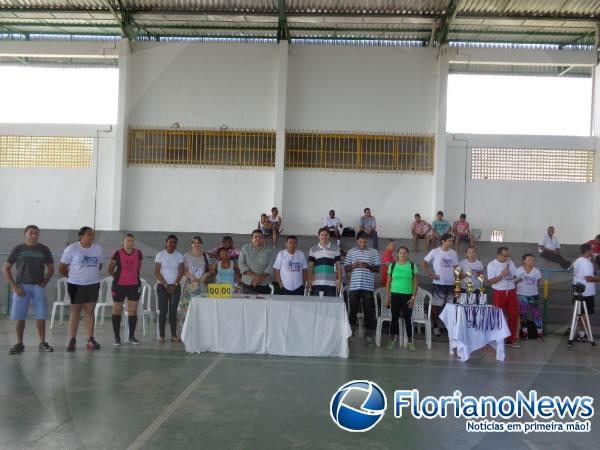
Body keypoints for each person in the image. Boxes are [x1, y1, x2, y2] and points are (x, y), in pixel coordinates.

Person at [3, 225, 55, 354]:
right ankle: (19, 344)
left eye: (36, 233)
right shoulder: (18, 249)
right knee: (20, 316)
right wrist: (15, 287)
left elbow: (51, 268)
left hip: (38, 287)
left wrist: (44, 283)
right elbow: (5, 268)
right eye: (31, 233)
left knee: (41, 315)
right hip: (21, 287)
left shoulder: (44, 249)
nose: (34, 235)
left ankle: (42, 343)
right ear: (25, 234)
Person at [59, 226, 103, 352]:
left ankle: (90, 339)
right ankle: (72, 339)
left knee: (89, 311)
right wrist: (73, 277)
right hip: (75, 285)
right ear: (81, 236)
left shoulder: (98, 249)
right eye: (89, 234)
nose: (92, 236)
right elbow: (62, 267)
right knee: (75, 311)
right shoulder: (72, 249)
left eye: (93, 234)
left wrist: (89, 274)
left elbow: (99, 265)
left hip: (92, 284)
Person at [344, 231, 381, 344]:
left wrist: (368, 266)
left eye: (364, 242)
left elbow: (378, 269)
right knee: (352, 311)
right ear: (357, 241)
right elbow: (346, 268)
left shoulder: (373, 252)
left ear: (367, 241)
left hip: (368, 286)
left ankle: (369, 335)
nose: (362, 244)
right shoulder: (351, 252)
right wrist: (352, 266)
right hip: (354, 286)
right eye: (360, 242)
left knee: (368, 312)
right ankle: (350, 334)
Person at [108, 233, 143, 346]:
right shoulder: (117, 253)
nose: (130, 242)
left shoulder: (138, 253)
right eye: (128, 240)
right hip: (119, 286)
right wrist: (118, 278)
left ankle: (131, 337)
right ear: (123, 242)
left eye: (132, 240)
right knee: (117, 310)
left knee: (132, 311)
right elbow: (110, 269)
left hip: (134, 285)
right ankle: (117, 337)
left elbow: (138, 267)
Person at [421, 233, 458, 336]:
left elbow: (456, 268)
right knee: (436, 307)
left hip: (451, 284)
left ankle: (448, 327)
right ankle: (435, 327)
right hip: (438, 283)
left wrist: (460, 276)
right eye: (449, 241)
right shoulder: (435, 251)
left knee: (449, 307)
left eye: (452, 241)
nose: (451, 243)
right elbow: (423, 263)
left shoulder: (453, 253)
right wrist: (430, 274)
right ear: (443, 241)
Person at [385, 246, 418, 351]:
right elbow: (388, 282)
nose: (402, 254)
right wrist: (388, 297)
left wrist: (413, 297)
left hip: (408, 296)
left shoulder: (412, 266)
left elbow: (415, 283)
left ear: (407, 254)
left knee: (408, 319)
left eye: (404, 252)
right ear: (397, 254)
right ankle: (392, 340)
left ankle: (410, 342)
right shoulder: (393, 265)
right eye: (400, 252)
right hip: (395, 295)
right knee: (394, 319)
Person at [487, 247, 519, 348]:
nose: (507, 258)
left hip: (511, 291)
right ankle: (495, 338)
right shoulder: (492, 264)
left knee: (513, 315)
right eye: (505, 256)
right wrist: (502, 275)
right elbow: (491, 281)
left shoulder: (510, 262)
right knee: (497, 315)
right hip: (499, 292)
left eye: (508, 255)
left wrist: (515, 277)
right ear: (499, 255)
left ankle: (510, 340)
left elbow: (515, 275)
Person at [154, 234, 184, 343]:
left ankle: (173, 335)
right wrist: (166, 285)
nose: (172, 244)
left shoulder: (179, 256)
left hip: (175, 287)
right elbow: (157, 272)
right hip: (162, 287)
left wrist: (175, 284)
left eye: (174, 242)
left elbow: (181, 272)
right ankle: (161, 335)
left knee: (173, 311)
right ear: (166, 242)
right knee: (163, 311)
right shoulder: (160, 255)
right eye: (170, 242)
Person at [571, 243, 599, 345]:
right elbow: (588, 278)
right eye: (592, 250)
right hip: (586, 293)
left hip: (578, 291)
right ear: (588, 251)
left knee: (580, 314)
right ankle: (581, 335)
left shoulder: (578, 260)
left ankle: (580, 333)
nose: (593, 252)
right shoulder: (586, 263)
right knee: (584, 315)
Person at [514, 254, 543, 341]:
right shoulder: (518, 270)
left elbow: (538, 282)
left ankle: (540, 334)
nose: (532, 261)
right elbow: (514, 282)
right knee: (523, 315)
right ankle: (525, 334)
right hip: (522, 296)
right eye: (529, 260)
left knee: (537, 315)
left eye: (533, 260)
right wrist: (518, 281)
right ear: (524, 261)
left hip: (534, 296)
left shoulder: (536, 271)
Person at [238, 229, 276, 294]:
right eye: (255, 237)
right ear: (251, 239)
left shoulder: (270, 250)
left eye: (260, 237)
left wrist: (260, 278)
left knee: (264, 304)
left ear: (263, 239)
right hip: (247, 283)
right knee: (247, 303)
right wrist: (255, 277)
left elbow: (271, 266)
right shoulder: (245, 248)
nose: (258, 238)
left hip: (264, 283)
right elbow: (241, 263)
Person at [308, 227, 342, 297]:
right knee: (316, 306)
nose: (324, 237)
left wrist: (339, 281)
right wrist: (309, 281)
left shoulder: (335, 249)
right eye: (322, 235)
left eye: (326, 235)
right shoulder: (313, 249)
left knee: (330, 306)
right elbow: (310, 267)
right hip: (316, 283)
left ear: (329, 236)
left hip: (331, 283)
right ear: (318, 236)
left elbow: (338, 267)